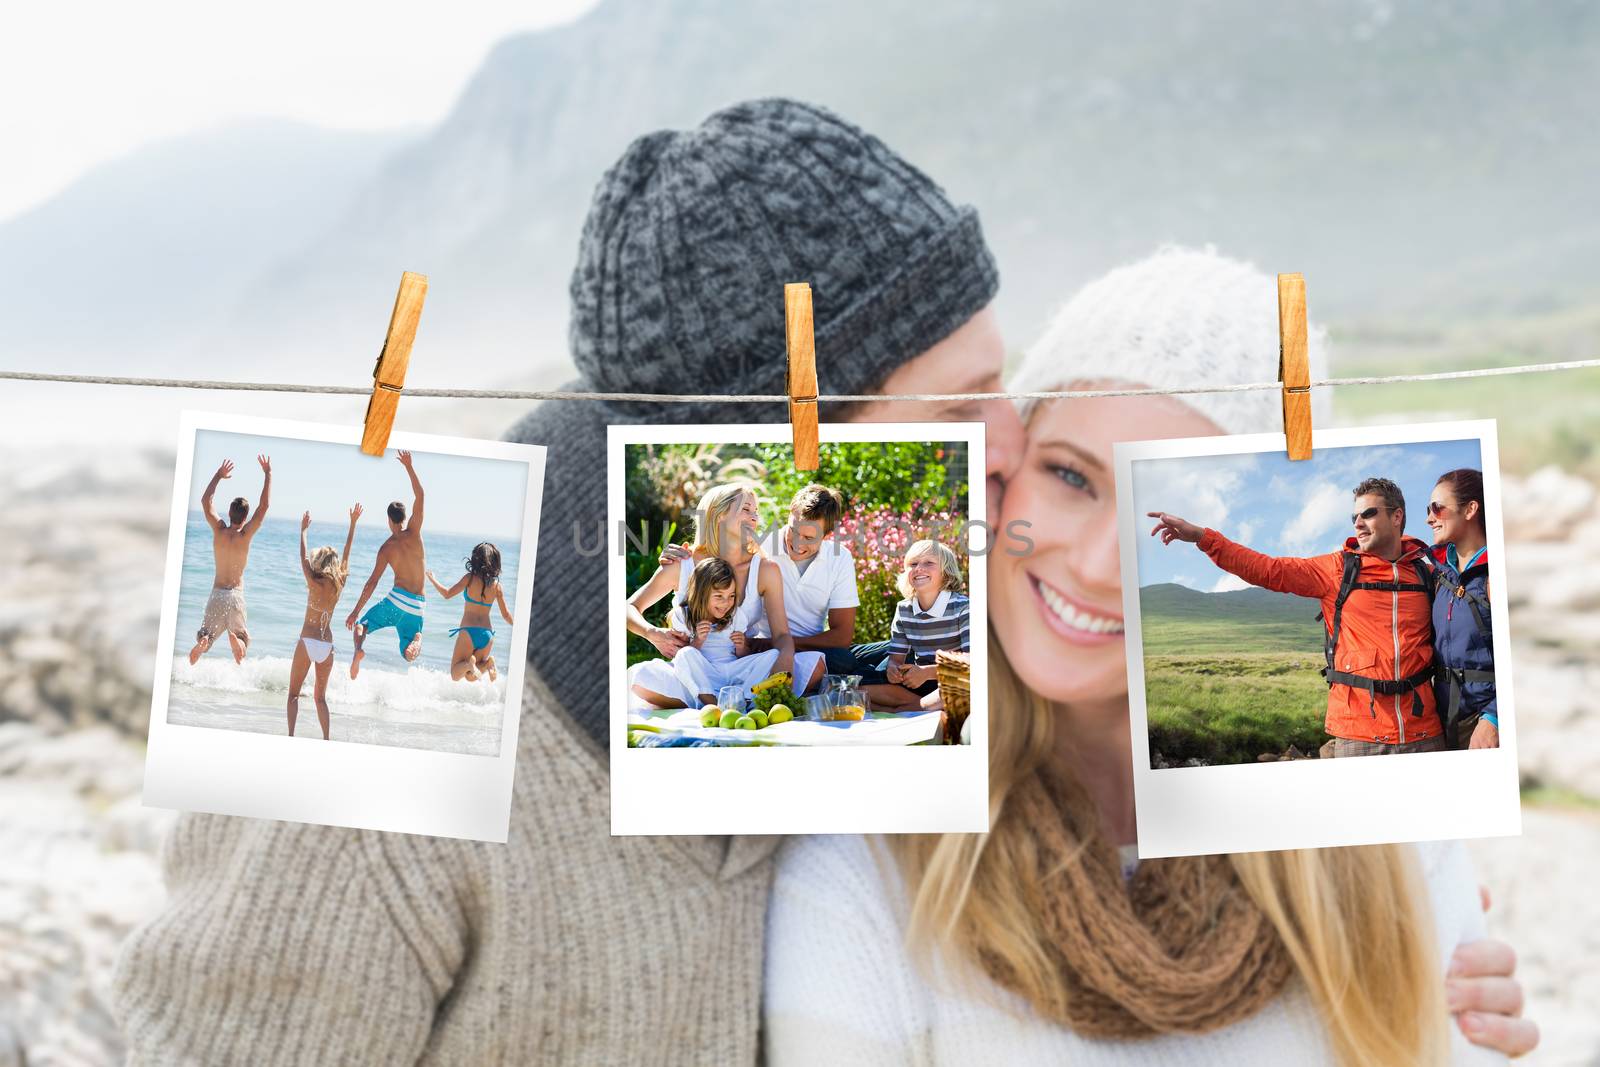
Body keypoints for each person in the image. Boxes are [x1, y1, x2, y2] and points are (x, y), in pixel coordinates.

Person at [111, 106, 1525, 1063]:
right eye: (963, 413)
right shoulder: (365, 707)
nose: (1014, 458)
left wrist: (1442, 973)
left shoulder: (876, 663)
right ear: (761, 467)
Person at [764, 248, 1538, 1065]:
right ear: (1003, 471)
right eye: (1070, 475)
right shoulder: (862, 877)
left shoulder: (1391, 843)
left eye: (1149, 504)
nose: (1099, 563)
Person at [1151, 474, 1447, 757]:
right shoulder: (1336, 570)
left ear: (1397, 517)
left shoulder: (1429, 571)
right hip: (1359, 735)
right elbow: (1268, 569)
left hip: (1424, 734)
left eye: (1368, 514)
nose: (1358, 523)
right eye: (1354, 517)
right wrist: (1203, 538)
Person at [628, 483, 824, 708]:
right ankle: (728, 701)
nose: (754, 517)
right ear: (719, 515)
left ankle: (720, 701)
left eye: (756, 512)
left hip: (741, 669)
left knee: (813, 664)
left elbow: (781, 635)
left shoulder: (765, 569)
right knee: (640, 677)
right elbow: (629, 607)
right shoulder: (683, 563)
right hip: (694, 669)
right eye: (746, 509)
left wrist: (785, 662)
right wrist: (653, 633)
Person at [667, 483, 879, 680]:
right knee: (851, 664)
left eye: (809, 538)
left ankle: (878, 679)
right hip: (767, 649)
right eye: (793, 531)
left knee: (891, 652)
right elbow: (721, 553)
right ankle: (867, 683)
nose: (797, 543)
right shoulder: (762, 546)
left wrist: (774, 644)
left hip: (804, 646)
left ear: (826, 535)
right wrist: (679, 560)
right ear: (789, 516)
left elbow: (842, 636)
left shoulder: (839, 557)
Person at [1426, 468, 1498, 749]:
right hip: (1442, 720)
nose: (1429, 517)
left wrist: (1495, 719)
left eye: (1437, 508)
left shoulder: (1496, 573)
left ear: (1470, 509)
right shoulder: (1440, 574)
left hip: (1483, 724)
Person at [345, 450, 427, 677]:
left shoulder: (386, 548)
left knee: (363, 625)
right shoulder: (415, 533)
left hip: (395, 601)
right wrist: (409, 466)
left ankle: (358, 651)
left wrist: (355, 612)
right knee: (407, 653)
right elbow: (420, 495)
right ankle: (416, 641)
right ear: (403, 518)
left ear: (389, 520)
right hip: (417, 606)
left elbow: (371, 584)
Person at [864, 540, 970, 711]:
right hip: (920, 682)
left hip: (954, 679)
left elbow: (972, 662)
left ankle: (913, 707)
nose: (919, 568)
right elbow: (895, 659)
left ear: (946, 572)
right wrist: (893, 670)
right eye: (913, 564)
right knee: (862, 690)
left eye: (929, 562)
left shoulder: (963, 607)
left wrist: (926, 673)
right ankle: (917, 707)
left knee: (966, 686)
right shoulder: (904, 609)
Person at [664, 556, 783, 708]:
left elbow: (743, 657)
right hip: (707, 672)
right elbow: (683, 659)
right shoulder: (684, 615)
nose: (726, 603)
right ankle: (713, 703)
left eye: (731, 596)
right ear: (701, 594)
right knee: (684, 654)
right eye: (719, 596)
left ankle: (744, 699)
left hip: (732, 670)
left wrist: (741, 647)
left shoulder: (736, 615)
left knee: (773, 655)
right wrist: (698, 641)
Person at [186, 454, 270, 665]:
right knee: (242, 638)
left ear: (230, 513)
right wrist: (268, 474)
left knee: (206, 633)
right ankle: (237, 642)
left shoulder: (219, 530)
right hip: (235, 595)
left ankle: (204, 642)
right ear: (245, 517)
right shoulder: (245, 535)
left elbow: (206, 502)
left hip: (217, 594)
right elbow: (263, 508)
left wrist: (218, 475)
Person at [288, 506, 360, 739]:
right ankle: (327, 740)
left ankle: (290, 736)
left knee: (293, 695)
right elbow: (347, 555)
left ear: (320, 562)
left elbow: (302, 556)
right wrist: (353, 525)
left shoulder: (313, 582)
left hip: (308, 641)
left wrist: (303, 531)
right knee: (320, 699)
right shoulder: (339, 583)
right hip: (327, 646)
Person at [425, 542, 515, 683]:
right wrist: (520, 628)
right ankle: (488, 663)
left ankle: (469, 664)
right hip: (487, 635)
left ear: (475, 559)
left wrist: (432, 579)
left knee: (456, 674)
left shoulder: (469, 578)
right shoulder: (497, 587)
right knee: (470, 677)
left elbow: (447, 594)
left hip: (468, 632)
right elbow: (506, 615)